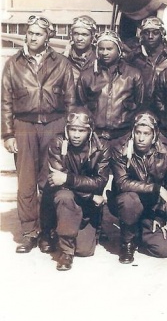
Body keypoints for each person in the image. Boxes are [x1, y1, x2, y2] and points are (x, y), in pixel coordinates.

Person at [2, 15, 75, 254]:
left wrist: (67, 131)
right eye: (30, 32)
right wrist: (8, 134)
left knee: (49, 180)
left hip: (54, 124)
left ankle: (48, 231)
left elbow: (70, 99)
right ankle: (29, 232)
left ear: (48, 37)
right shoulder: (13, 63)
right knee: (26, 182)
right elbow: (5, 101)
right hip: (24, 125)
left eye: (38, 34)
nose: (32, 37)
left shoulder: (61, 63)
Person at [46, 107, 111, 270]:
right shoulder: (57, 142)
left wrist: (67, 179)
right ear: (67, 129)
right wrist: (89, 195)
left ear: (89, 131)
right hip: (69, 199)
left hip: (88, 204)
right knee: (64, 196)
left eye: (81, 130)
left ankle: (73, 230)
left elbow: (100, 182)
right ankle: (66, 251)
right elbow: (56, 179)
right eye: (72, 129)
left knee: (84, 251)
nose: (76, 134)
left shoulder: (101, 147)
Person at [109, 112, 167, 263]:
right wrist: (156, 188)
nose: (141, 138)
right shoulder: (119, 148)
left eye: (146, 134)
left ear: (154, 135)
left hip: (153, 207)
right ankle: (127, 242)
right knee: (129, 200)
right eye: (138, 132)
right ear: (133, 132)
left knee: (163, 250)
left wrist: (160, 214)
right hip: (129, 201)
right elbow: (122, 183)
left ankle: (140, 232)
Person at [76, 30, 144, 145]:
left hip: (123, 136)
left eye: (109, 49)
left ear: (119, 49)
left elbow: (139, 104)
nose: (105, 53)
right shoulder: (86, 75)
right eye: (101, 49)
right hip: (95, 136)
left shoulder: (133, 74)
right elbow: (81, 104)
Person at [129, 16, 167, 110]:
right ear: (141, 35)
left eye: (155, 33)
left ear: (162, 34)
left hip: (165, 112)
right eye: (146, 33)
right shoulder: (133, 57)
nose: (150, 36)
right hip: (139, 111)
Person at [65, 15, 97, 81]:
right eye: (76, 34)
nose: (79, 38)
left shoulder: (100, 59)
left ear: (92, 36)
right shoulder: (63, 59)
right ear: (71, 35)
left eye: (84, 35)